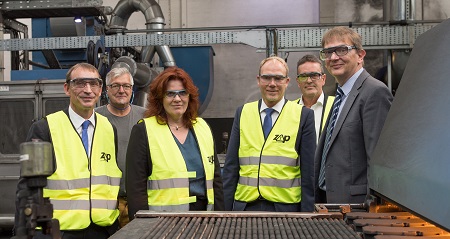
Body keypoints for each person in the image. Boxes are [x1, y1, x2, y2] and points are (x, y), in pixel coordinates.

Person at [15, 63, 121, 239]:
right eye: (80, 83)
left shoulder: (109, 129)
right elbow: (25, 188)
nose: (88, 90)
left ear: (101, 90)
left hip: (101, 233)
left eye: (94, 84)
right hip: (56, 234)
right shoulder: (44, 128)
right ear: (67, 89)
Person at [126, 66, 224, 218]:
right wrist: (141, 225)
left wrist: (220, 218)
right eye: (170, 94)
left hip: (205, 217)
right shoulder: (143, 130)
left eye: (182, 93)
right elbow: (136, 188)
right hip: (161, 222)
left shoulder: (202, 127)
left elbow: (216, 180)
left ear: (189, 96)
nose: (177, 99)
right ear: (160, 98)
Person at [222, 55, 316, 212]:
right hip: (245, 206)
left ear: (287, 82)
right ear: (258, 80)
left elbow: (308, 174)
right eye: (267, 78)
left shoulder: (303, 115)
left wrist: (306, 216)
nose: (272, 84)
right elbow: (231, 168)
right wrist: (225, 211)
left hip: (285, 209)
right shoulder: (243, 112)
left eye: (278, 78)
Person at [315, 26, 393, 204]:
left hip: (358, 208)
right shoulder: (341, 95)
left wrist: (372, 208)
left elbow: (378, 162)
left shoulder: (374, 92)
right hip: (332, 203)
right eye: (328, 52)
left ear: (360, 55)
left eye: (342, 50)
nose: (334, 57)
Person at [95, 67, 145, 228]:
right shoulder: (95, 118)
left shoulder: (146, 117)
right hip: (106, 201)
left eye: (126, 86)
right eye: (115, 86)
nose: (121, 90)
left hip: (139, 198)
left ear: (132, 90)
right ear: (106, 90)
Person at [295, 54, 335, 143]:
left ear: (323, 79)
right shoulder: (289, 109)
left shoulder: (338, 105)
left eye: (314, 75)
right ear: (298, 82)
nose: (309, 81)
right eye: (303, 76)